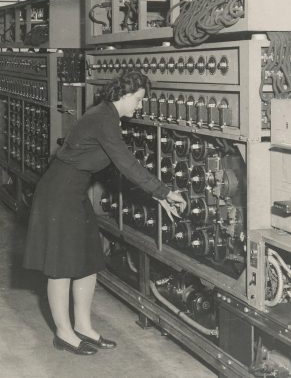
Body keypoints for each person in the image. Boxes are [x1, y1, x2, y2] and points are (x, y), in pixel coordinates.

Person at [23, 70, 186, 356]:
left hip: (74, 190)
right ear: (123, 95)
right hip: (59, 193)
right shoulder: (102, 118)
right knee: (61, 266)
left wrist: (156, 196)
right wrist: (163, 192)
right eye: (137, 99)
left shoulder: (107, 116)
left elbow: (123, 166)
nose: (139, 106)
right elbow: (126, 163)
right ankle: (63, 332)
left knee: (88, 259)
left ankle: (83, 327)